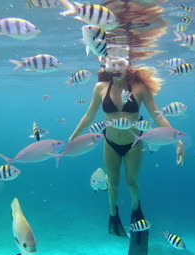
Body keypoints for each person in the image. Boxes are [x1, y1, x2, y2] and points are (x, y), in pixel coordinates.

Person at [69, 56, 185, 235]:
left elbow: (157, 115)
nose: (116, 67)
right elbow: (89, 116)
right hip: (109, 142)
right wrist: (73, 137)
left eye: (120, 64)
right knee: (113, 183)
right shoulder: (100, 88)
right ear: (106, 67)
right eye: (112, 64)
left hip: (134, 142)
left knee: (132, 183)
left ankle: (135, 211)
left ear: (128, 66)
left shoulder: (140, 88)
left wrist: (177, 140)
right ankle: (113, 215)